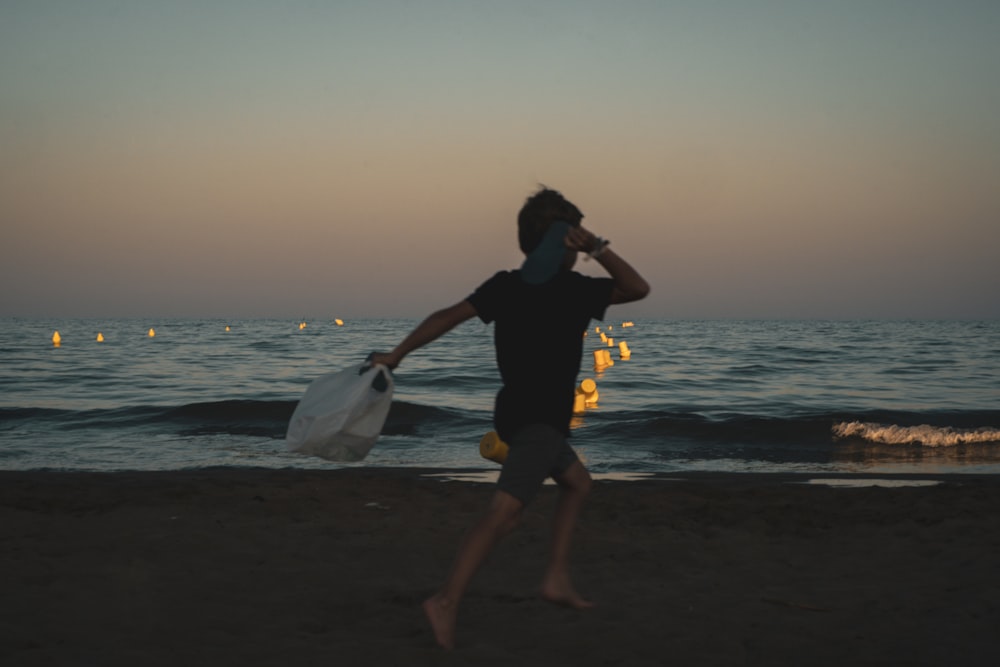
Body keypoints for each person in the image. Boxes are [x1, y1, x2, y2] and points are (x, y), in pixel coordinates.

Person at [371, 187, 650, 649]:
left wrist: (398, 353)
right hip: (540, 420)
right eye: (573, 239)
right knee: (505, 512)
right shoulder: (574, 290)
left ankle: (556, 578)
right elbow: (638, 288)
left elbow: (446, 316)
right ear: (565, 241)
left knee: (578, 483)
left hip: (523, 415)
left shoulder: (506, 286)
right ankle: (445, 600)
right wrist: (599, 248)